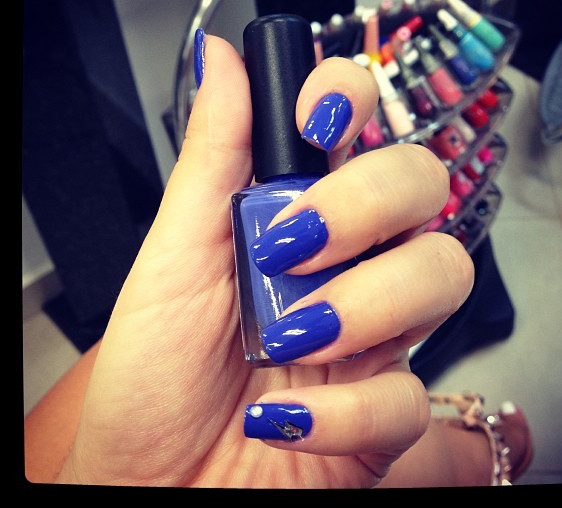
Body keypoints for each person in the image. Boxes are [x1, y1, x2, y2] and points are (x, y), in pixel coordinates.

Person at [23, 31, 532, 488]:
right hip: (248, 427)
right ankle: (482, 456)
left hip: (256, 414)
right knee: (394, 428)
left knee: (376, 411)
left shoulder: (247, 210)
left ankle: (470, 452)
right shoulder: (245, 214)